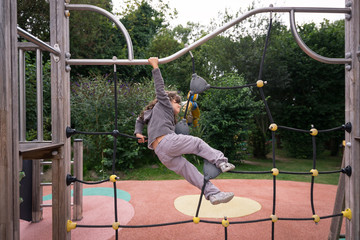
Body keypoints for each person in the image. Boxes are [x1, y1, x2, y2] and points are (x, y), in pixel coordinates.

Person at [134, 57, 235, 205]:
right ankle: (221, 161)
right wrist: (155, 66)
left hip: (162, 154)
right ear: (168, 100)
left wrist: (138, 132)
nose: (180, 105)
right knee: (197, 143)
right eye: (177, 102)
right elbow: (159, 88)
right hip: (166, 143)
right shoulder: (164, 105)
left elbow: (140, 119)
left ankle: (213, 194)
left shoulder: (160, 114)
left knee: (191, 172)